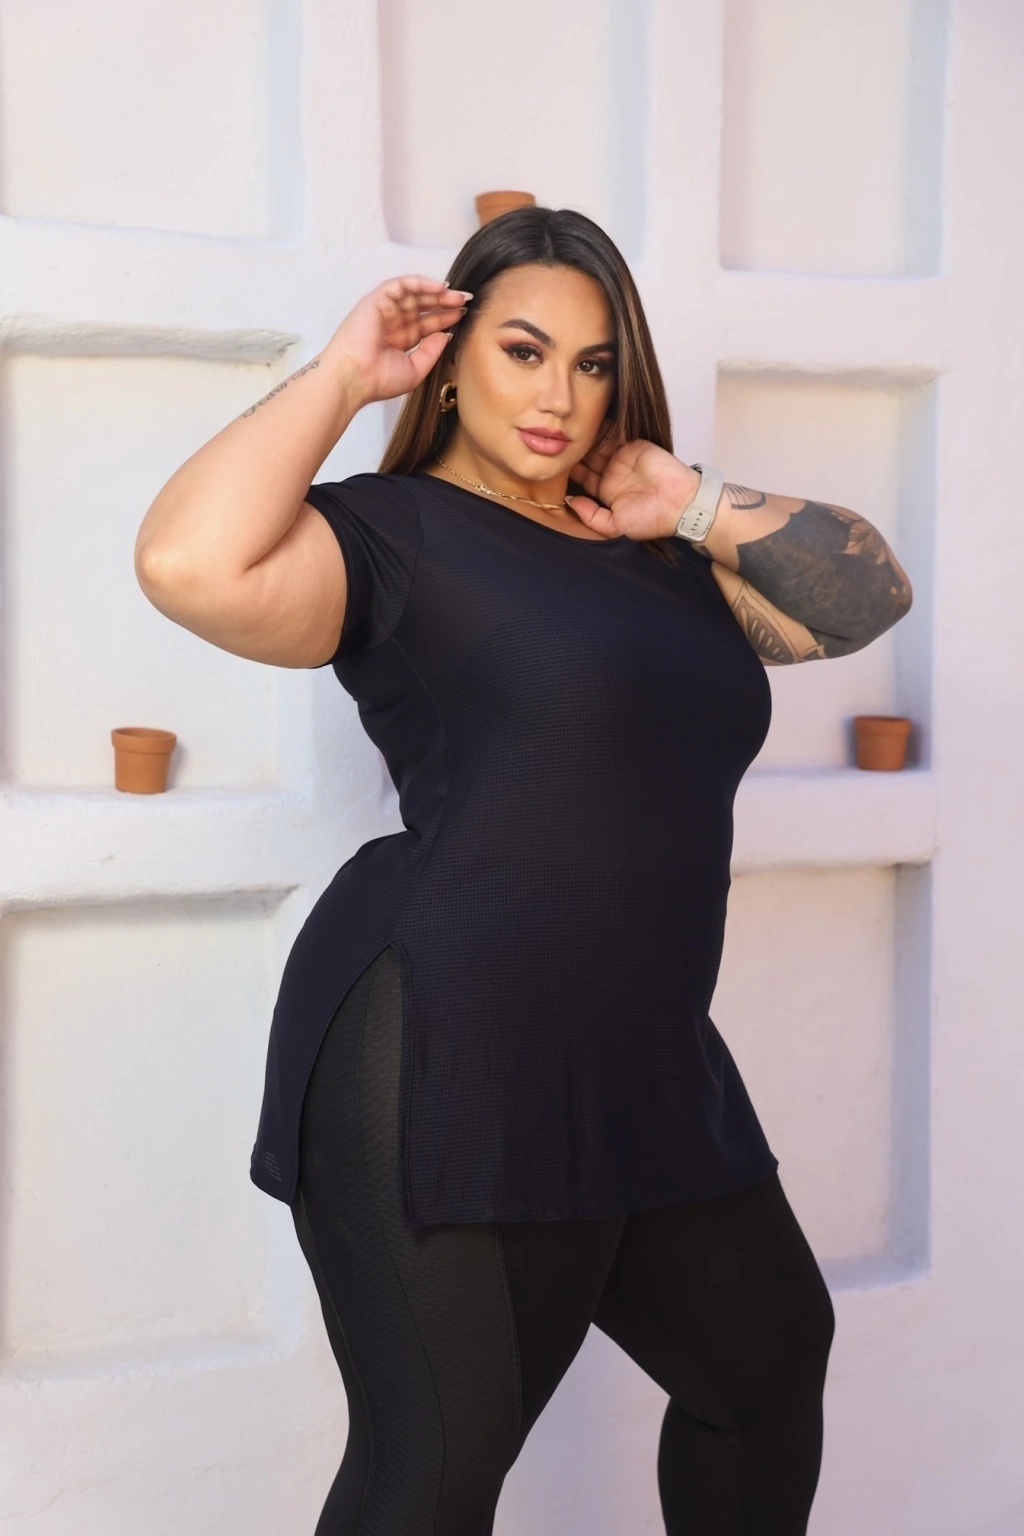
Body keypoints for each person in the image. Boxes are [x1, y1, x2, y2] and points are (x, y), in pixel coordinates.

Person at [135, 205, 912, 1534]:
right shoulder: (392, 537)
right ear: (450, 363)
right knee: (438, 1467)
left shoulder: (660, 554)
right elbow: (185, 561)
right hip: (449, 1036)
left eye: (593, 362)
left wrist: (688, 501)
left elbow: (867, 599)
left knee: (767, 1365)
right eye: (523, 350)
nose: (559, 395)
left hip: (642, 1050)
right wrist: (344, 375)